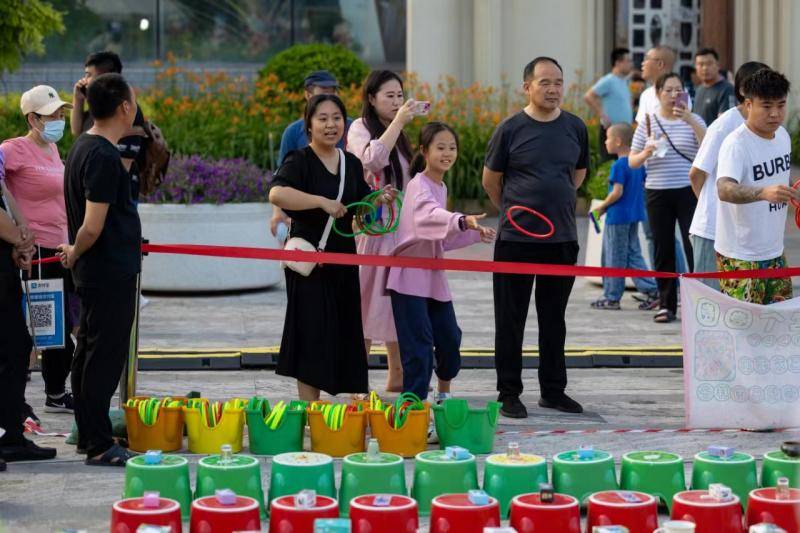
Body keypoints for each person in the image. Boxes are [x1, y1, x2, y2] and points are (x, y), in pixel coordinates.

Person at [269, 94, 396, 401]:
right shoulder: (299, 160)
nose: (330, 125)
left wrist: (378, 200)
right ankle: (312, 411)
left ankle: (348, 413)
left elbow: (361, 210)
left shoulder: (351, 164)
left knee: (344, 331)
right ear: (309, 125)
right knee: (311, 334)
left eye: (337, 118)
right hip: (309, 264)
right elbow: (277, 194)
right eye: (322, 118)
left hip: (342, 260)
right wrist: (321, 202)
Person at [483, 57, 589, 418]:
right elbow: (491, 182)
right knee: (510, 319)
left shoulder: (575, 126)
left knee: (554, 319)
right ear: (526, 86)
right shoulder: (510, 129)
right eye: (544, 82)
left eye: (558, 82)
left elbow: (578, 173)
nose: (553, 89)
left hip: (561, 239)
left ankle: (553, 390)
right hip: (516, 239)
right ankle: (508, 392)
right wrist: (518, 211)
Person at [58, 73, 141, 466]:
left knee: (88, 352)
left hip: (97, 271)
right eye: (134, 99)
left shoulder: (83, 147)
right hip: (107, 271)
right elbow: (92, 225)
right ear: (124, 106)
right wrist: (75, 250)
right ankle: (99, 443)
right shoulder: (104, 156)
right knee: (103, 356)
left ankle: (88, 433)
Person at [388, 122, 495, 400]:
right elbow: (427, 216)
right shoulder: (417, 186)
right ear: (424, 151)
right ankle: (414, 408)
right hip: (409, 278)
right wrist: (459, 220)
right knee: (418, 346)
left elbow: (441, 238)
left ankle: (443, 396)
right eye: (440, 147)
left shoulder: (441, 186)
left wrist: (472, 232)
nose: (448, 153)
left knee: (449, 338)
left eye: (452, 148)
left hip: (433, 277)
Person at [1, 85, 76, 414]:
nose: (59, 119)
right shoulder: (13, 149)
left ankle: (54, 392)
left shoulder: (52, 152)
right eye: (52, 115)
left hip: (59, 250)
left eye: (61, 113)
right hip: (36, 255)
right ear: (32, 119)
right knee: (46, 331)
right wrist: (17, 227)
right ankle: (50, 395)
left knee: (60, 328)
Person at [348, 70, 421, 393]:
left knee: (395, 302)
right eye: (389, 96)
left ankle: (398, 375)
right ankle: (355, 376)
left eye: (399, 95)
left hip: (400, 233)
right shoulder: (360, 128)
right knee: (365, 301)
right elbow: (372, 160)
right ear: (371, 98)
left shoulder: (401, 134)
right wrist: (399, 123)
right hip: (373, 230)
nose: (395, 102)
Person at [630, 73, 706, 323]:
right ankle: (667, 304)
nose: (674, 95)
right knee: (663, 249)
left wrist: (691, 122)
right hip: (657, 192)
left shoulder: (694, 120)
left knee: (692, 245)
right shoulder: (648, 122)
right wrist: (646, 152)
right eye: (668, 90)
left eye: (678, 89)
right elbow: (632, 161)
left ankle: (699, 303)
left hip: (688, 191)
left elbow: (709, 149)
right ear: (658, 93)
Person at [716, 68, 796, 305]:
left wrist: (794, 190)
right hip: (740, 255)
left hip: (774, 250)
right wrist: (762, 193)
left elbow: (781, 177)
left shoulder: (782, 136)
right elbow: (724, 189)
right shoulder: (736, 144)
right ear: (748, 104)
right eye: (767, 106)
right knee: (742, 327)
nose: (775, 114)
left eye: (781, 105)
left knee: (778, 323)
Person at [688, 61, 769, 290]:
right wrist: (713, 210)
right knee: (709, 303)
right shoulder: (725, 125)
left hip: (742, 234)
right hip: (712, 231)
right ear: (744, 91)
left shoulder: (763, 127)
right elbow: (696, 174)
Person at [0, 153, 57, 464]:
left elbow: (2, 190)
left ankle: (10, 433)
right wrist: (19, 239)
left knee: (16, 346)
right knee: (11, 347)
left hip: (6, 251)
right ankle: (8, 436)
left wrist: (22, 233)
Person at [272, 71, 352, 240]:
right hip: (304, 222)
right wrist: (278, 213)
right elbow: (280, 181)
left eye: (333, 91)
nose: (331, 126)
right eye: (324, 91)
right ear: (307, 94)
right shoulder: (293, 134)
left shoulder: (353, 128)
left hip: (343, 221)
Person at [589, 123, 658, 309]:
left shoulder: (620, 164)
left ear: (618, 142)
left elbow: (617, 192)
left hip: (618, 217)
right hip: (634, 214)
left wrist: (601, 207)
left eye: (608, 138)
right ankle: (652, 290)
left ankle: (612, 297)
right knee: (632, 254)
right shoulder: (638, 163)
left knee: (615, 256)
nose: (605, 141)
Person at [71, 51, 147, 199]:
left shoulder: (126, 111)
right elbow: (76, 131)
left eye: (88, 75)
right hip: (99, 190)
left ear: (105, 78)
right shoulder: (100, 107)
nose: (84, 80)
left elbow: (126, 161)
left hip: (117, 195)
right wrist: (78, 99)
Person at [584, 47, 634, 161]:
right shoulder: (609, 80)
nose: (631, 64)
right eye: (628, 61)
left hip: (624, 133)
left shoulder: (623, 81)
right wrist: (603, 115)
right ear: (618, 63)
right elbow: (588, 96)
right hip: (612, 132)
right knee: (609, 165)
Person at [635, 46, 692, 127]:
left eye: (646, 59)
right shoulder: (646, 94)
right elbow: (641, 127)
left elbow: (681, 125)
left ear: (660, 64)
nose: (642, 63)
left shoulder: (680, 93)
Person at [692, 48, 736, 126]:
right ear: (695, 67)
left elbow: (726, 123)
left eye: (709, 64)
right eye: (701, 64)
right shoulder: (699, 89)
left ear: (718, 65)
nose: (705, 68)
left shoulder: (727, 89)